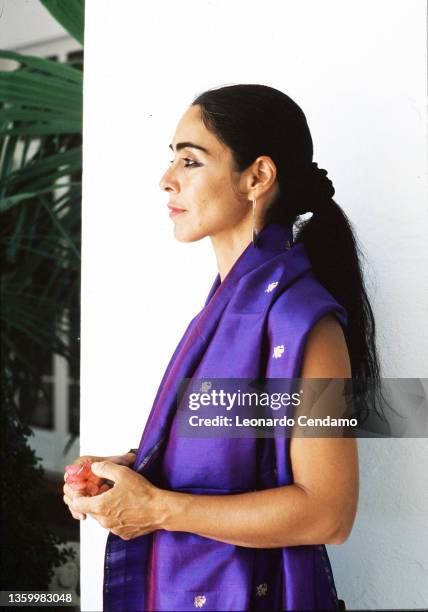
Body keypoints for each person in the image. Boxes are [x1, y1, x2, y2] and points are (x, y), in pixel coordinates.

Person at [63, 84, 380, 611]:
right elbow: (235, 447)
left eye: (190, 161)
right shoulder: (221, 310)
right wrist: (132, 471)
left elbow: (329, 512)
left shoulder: (306, 322)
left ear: (256, 176)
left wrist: (158, 508)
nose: (167, 180)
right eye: (173, 160)